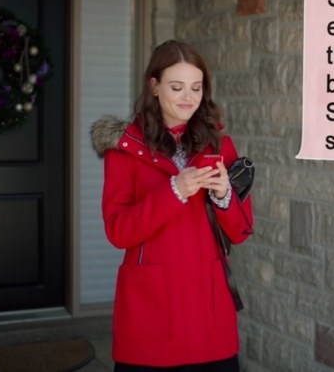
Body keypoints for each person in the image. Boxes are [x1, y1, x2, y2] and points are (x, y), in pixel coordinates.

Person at [91, 40, 254, 371]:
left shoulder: (220, 146)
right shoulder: (124, 150)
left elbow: (240, 231)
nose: (188, 97)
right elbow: (118, 231)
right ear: (154, 85)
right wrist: (174, 191)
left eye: (196, 87)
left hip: (208, 314)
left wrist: (224, 195)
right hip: (150, 315)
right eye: (176, 87)